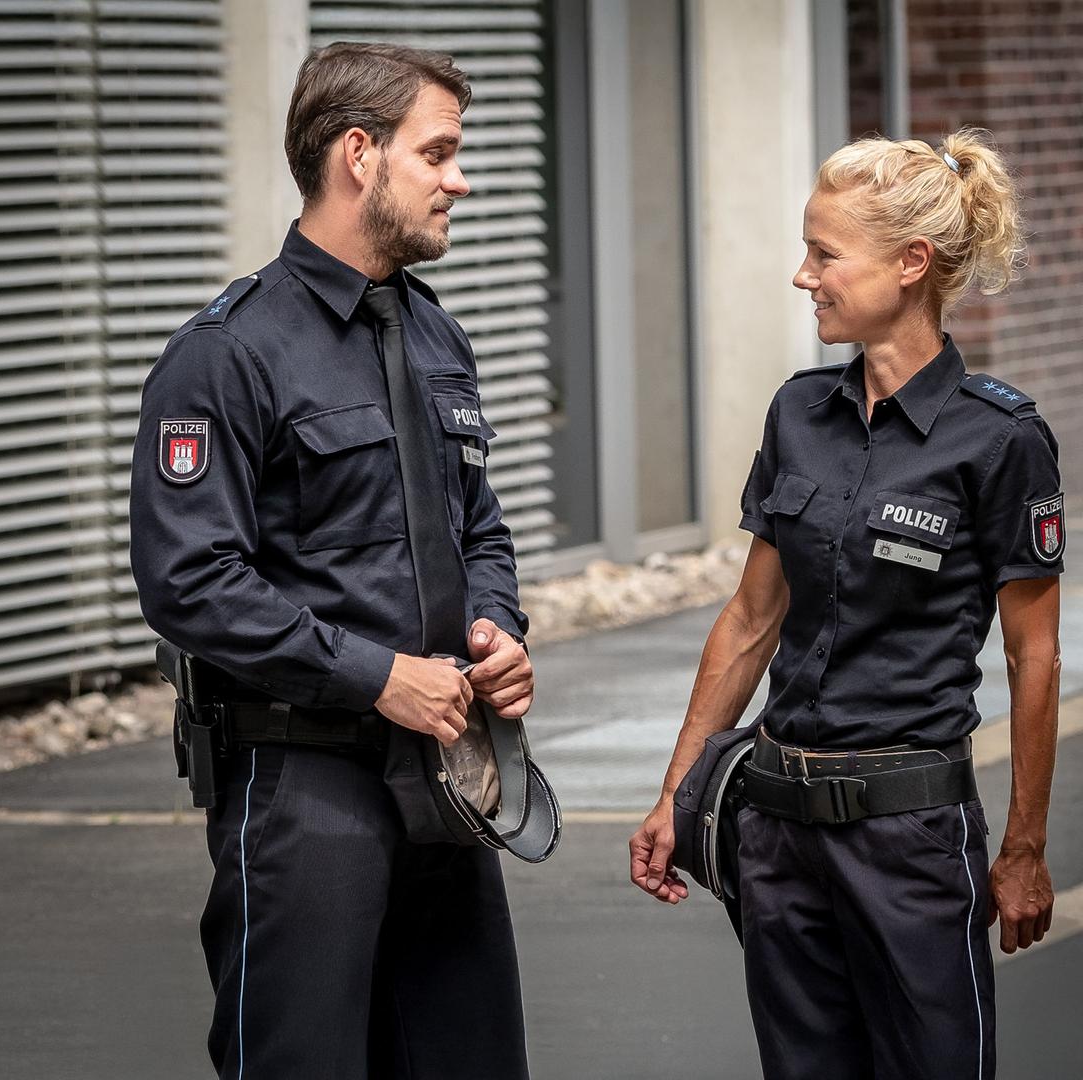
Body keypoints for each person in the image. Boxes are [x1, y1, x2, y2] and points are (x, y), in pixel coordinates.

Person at [130, 41, 537, 1080]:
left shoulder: (436, 337)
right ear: (360, 155)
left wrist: (498, 631)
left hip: (444, 776)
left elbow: (477, 526)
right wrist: (379, 676)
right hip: (304, 784)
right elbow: (191, 583)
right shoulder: (228, 353)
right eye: (438, 152)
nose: (462, 177)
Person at [629, 129, 1060, 1080]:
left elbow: (1035, 658)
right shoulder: (797, 413)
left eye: (825, 254)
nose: (802, 275)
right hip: (776, 834)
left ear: (912, 265)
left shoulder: (1000, 439)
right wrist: (674, 793)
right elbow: (750, 622)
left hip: (908, 840)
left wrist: (1025, 846)